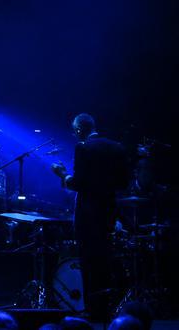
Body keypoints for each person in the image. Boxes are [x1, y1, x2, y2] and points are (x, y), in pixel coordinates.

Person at [51, 114, 129, 320]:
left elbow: (77, 184)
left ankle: (93, 310)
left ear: (78, 130)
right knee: (106, 259)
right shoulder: (117, 147)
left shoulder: (83, 148)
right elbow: (123, 183)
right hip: (109, 212)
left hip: (88, 215)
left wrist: (61, 174)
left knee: (89, 261)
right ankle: (107, 308)